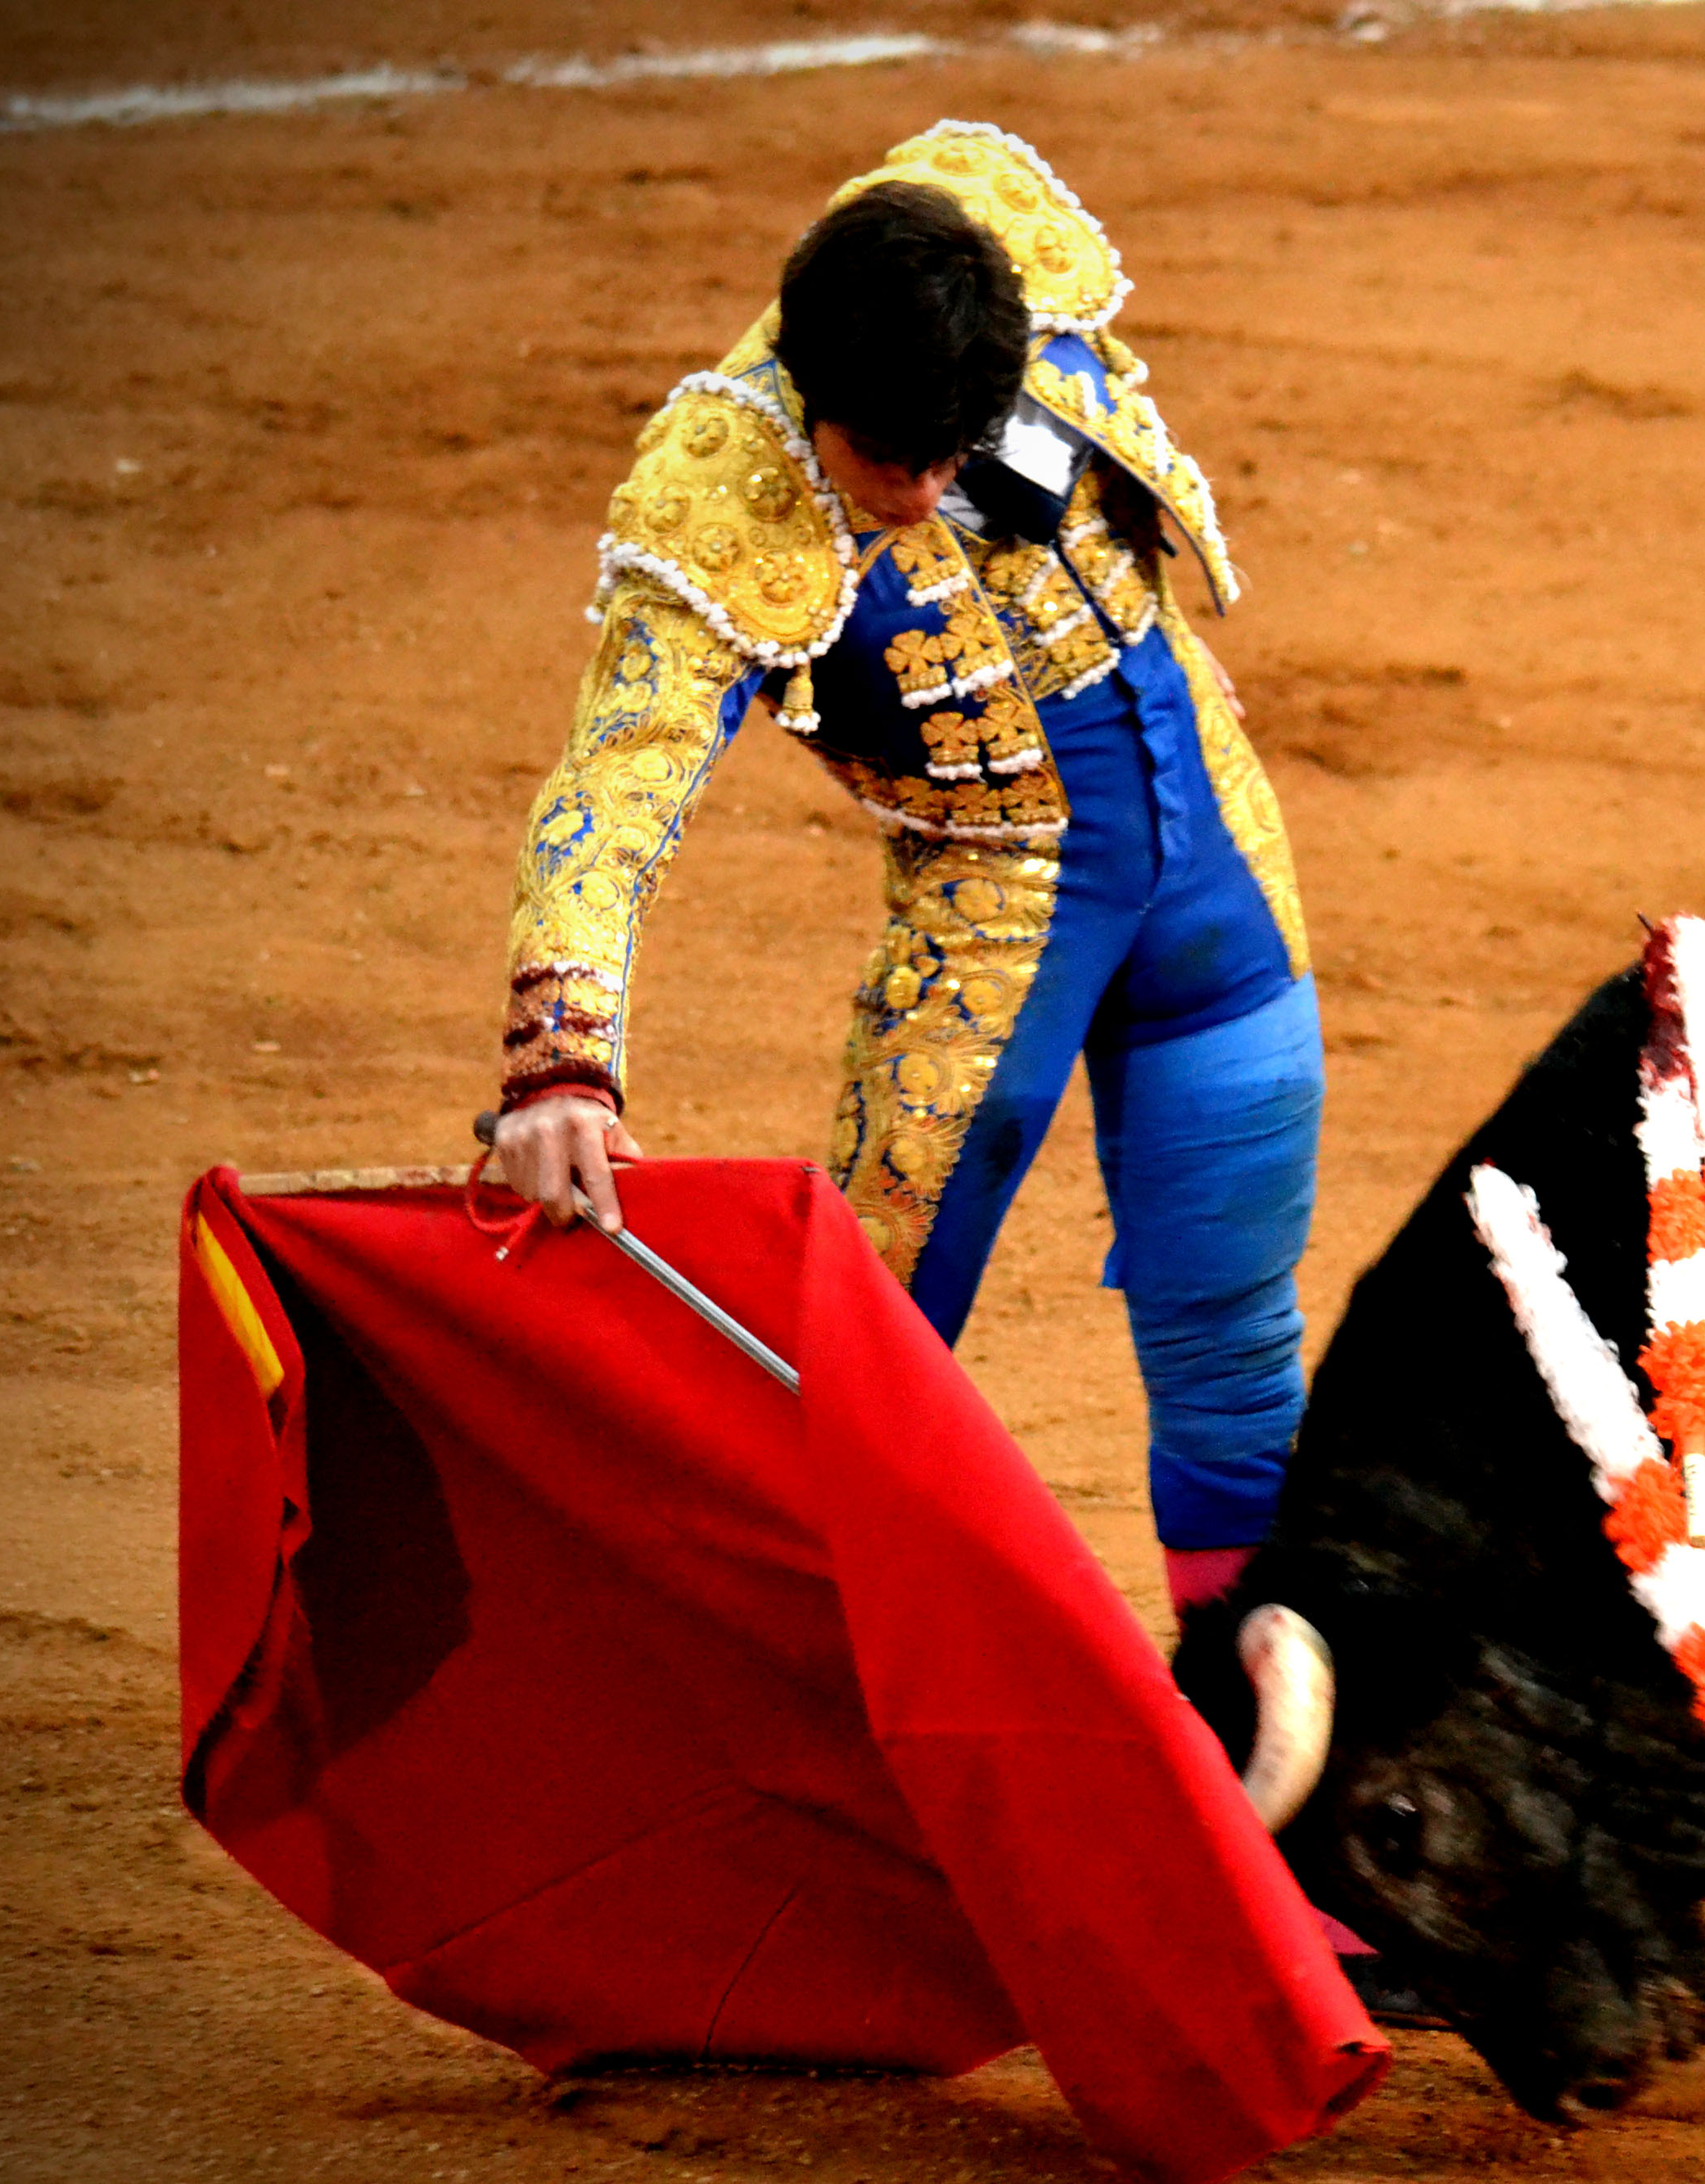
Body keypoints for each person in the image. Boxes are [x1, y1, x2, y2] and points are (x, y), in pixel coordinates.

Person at [488, 123, 1317, 1614]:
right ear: (817, 408)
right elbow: (611, 794)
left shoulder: (982, 253)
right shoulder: (718, 502)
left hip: (1217, 865)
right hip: (998, 921)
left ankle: (1249, 1722)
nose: (930, 489)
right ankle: (765, 1703)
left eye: (958, 447)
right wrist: (562, 1064)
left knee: (1237, 1330)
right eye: (891, 460)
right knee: (858, 1373)